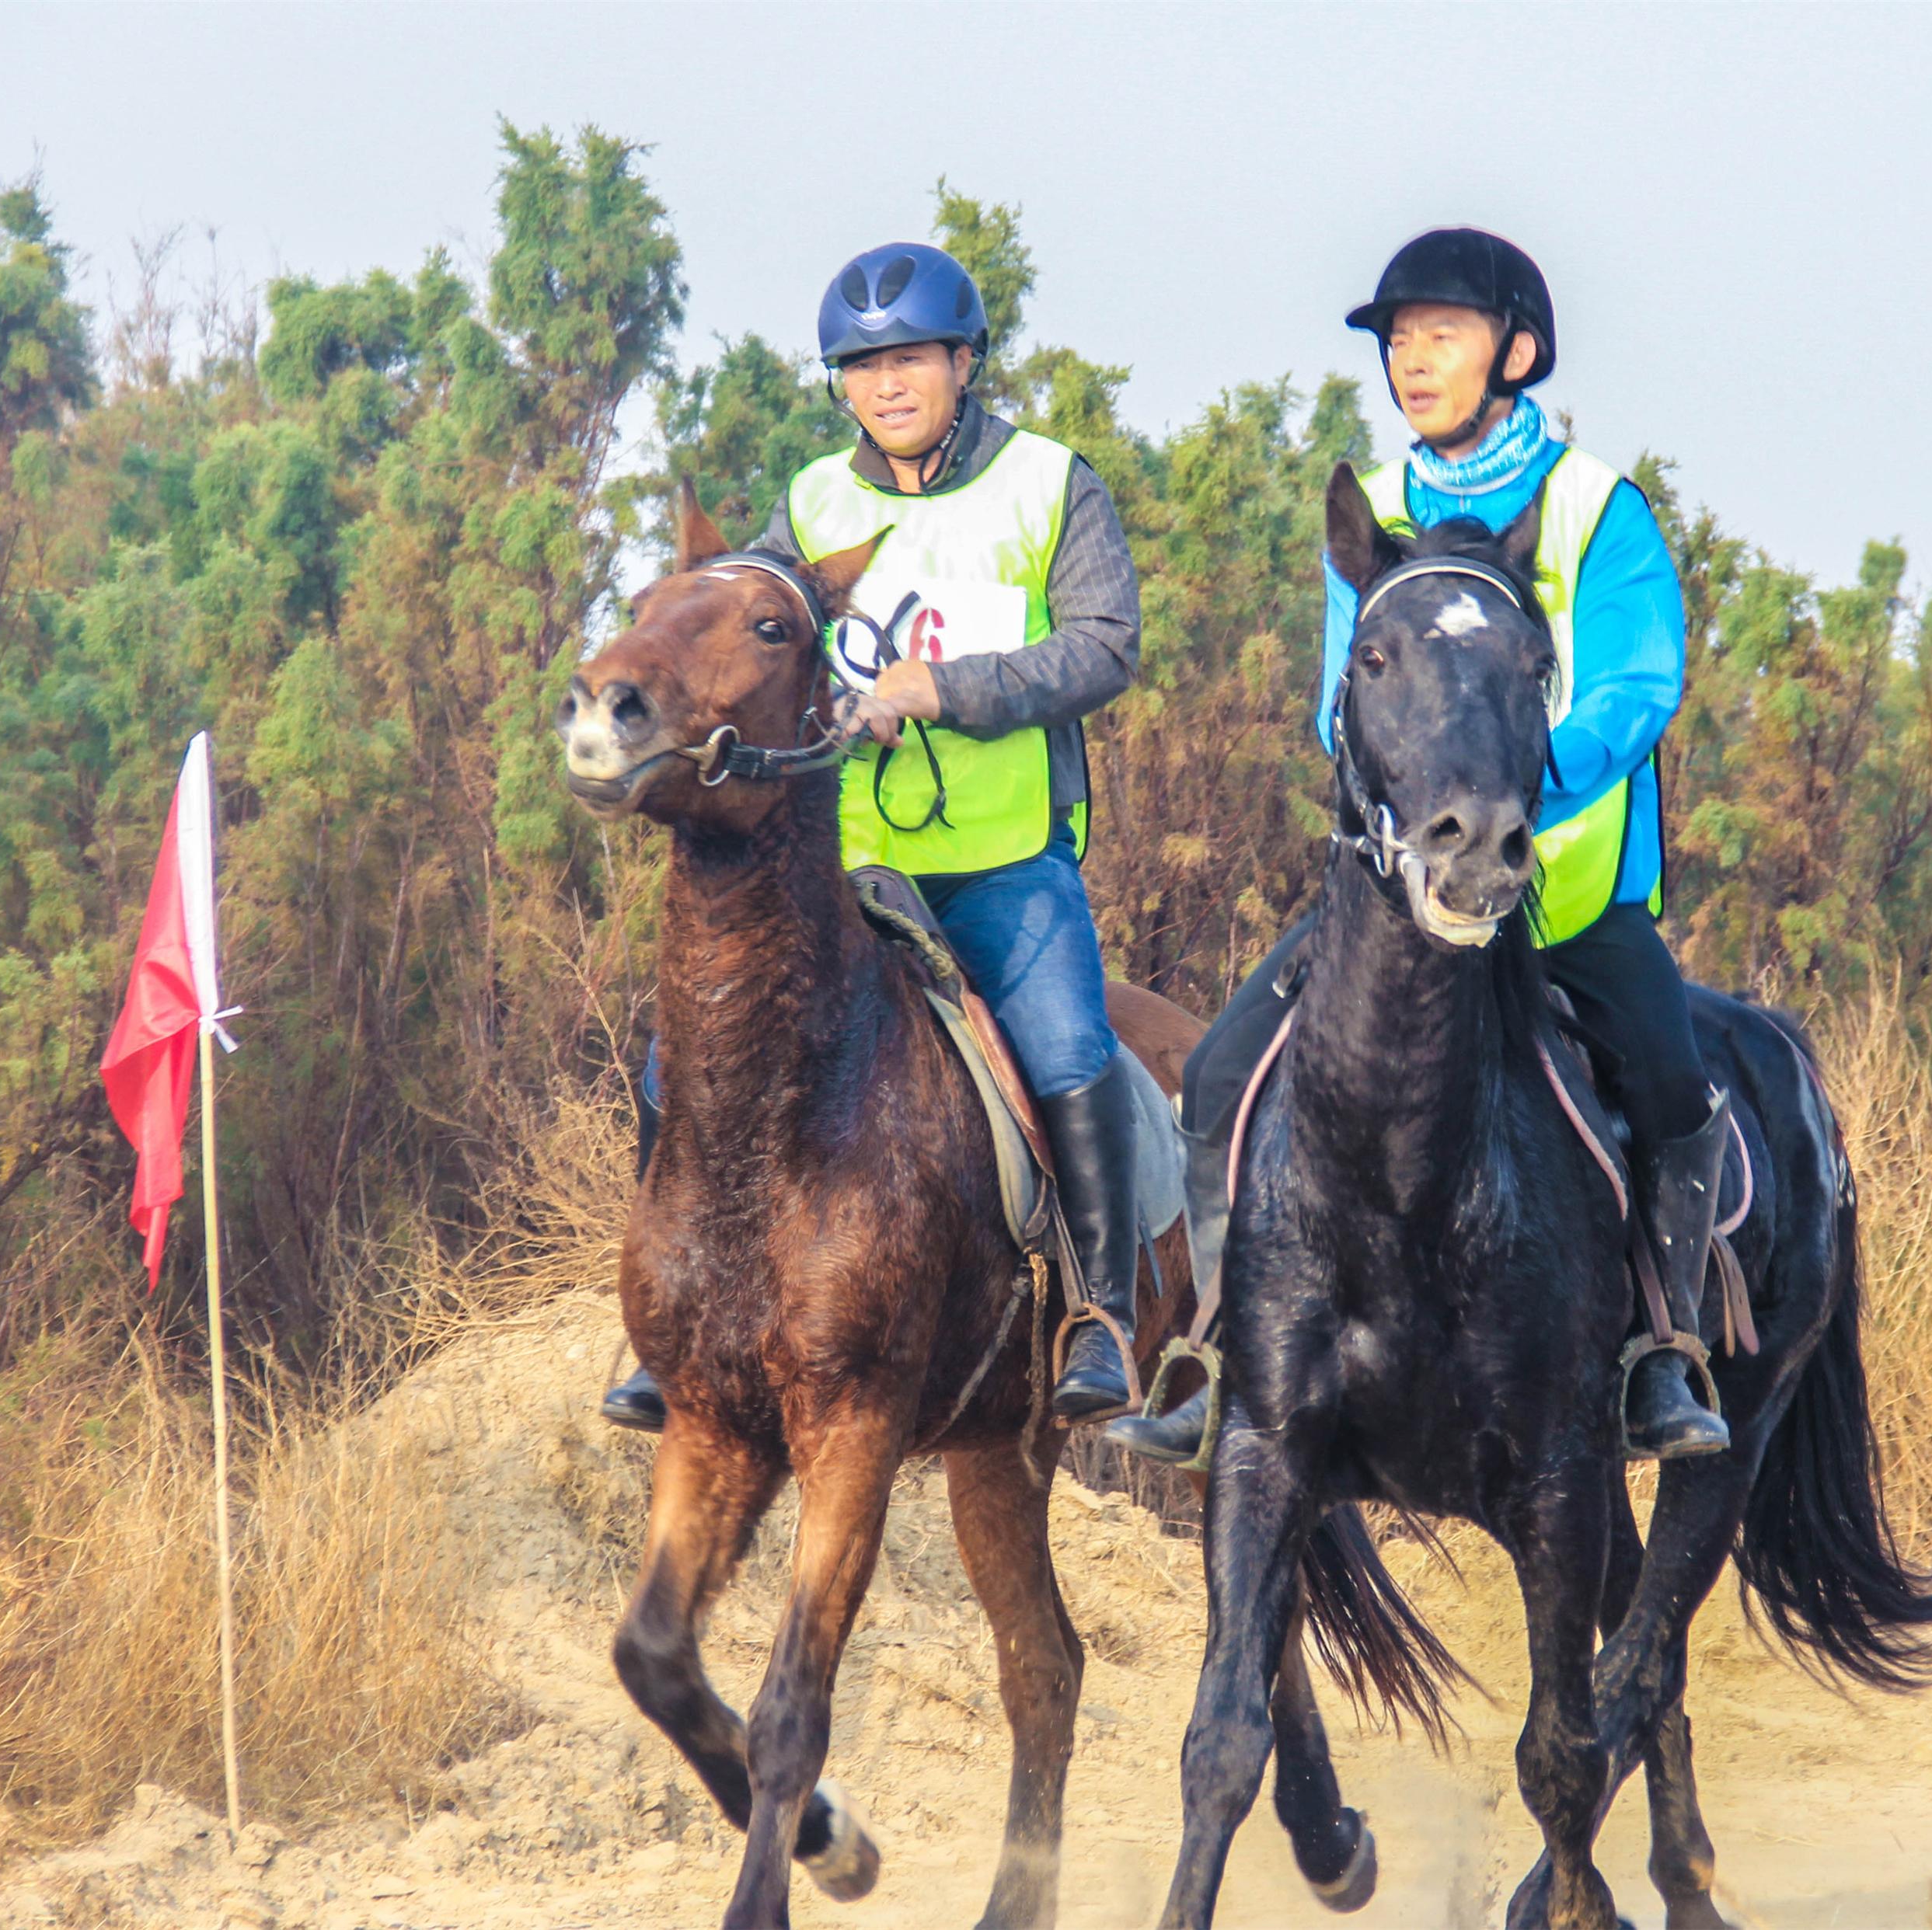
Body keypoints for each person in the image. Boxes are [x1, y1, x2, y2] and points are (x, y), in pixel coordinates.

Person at [1110, 228, 1729, 1466]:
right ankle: (1217, 1350)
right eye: (1396, 341)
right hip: (1394, 904)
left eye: (1438, 334)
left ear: (1517, 351)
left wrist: (1512, 800)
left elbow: (1638, 684)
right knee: (1227, 1066)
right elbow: (1337, 695)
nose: (1409, 360)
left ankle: (1664, 1350)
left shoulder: (1596, 509)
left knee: (1666, 1080)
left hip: (1562, 898)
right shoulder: (1375, 511)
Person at [602, 241, 1150, 1433]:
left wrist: (939, 690)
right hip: (844, 866)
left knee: (1063, 1047)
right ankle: (657, 1332)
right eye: (861, 368)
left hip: (1003, 857)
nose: (887, 385)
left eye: (909, 359)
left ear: (963, 362)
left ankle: (1099, 1317)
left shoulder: (1053, 483)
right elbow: (733, 634)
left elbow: (1107, 645)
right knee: (671, 1062)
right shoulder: (810, 503)